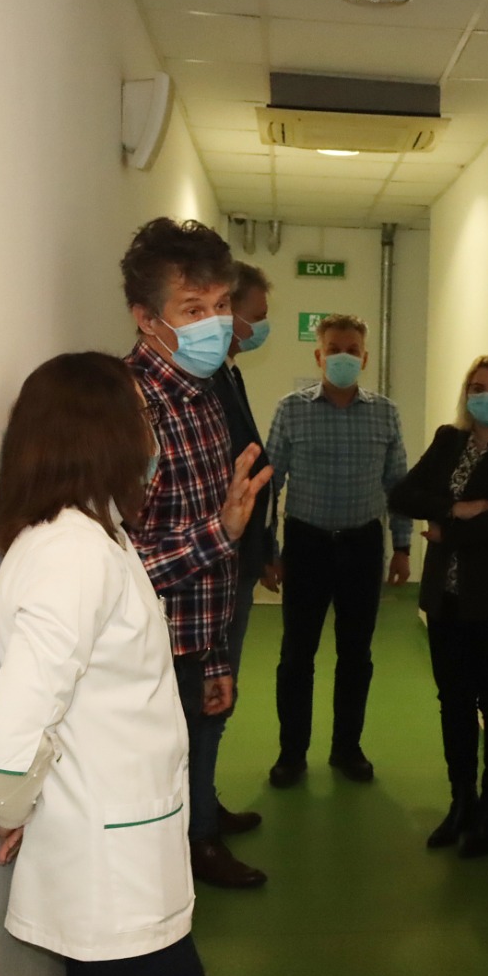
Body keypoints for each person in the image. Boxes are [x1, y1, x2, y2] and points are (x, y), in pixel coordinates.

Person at [0, 352, 262, 976]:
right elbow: (3, 744)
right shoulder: (72, 553)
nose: (151, 433)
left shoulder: (96, 534)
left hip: (117, 858)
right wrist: (15, 805)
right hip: (112, 876)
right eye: (142, 415)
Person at [122, 218, 274, 890]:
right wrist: (224, 530)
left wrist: (214, 658)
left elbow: (210, 552)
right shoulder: (129, 410)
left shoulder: (204, 394)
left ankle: (198, 840)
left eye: (220, 306)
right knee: (149, 818)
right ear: (145, 318)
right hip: (142, 660)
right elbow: (119, 572)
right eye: (192, 310)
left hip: (193, 645)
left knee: (188, 775)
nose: (214, 324)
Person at [389, 355, 488, 857]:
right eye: (478, 387)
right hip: (447, 600)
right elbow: (403, 495)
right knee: (453, 703)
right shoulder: (448, 439)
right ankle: (461, 802)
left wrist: (445, 532)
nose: (487, 397)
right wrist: (456, 508)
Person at [264, 313, 412, 787]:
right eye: (334, 350)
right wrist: (268, 549)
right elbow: (270, 483)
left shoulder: (385, 413)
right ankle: (291, 754)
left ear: (364, 358)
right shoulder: (291, 410)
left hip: (362, 546)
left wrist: (403, 546)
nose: (343, 357)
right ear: (319, 355)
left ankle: (347, 749)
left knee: (356, 655)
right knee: (296, 655)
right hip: (306, 544)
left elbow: (398, 484)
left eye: (352, 350)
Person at [201, 261, 279, 830]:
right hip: (214, 561)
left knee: (220, 691)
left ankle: (204, 803)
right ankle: (198, 825)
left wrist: (264, 546)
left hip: (240, 557)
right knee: (211, 692)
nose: (256, 330)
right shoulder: (204, 384)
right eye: (255, 318)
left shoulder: (229, 375)